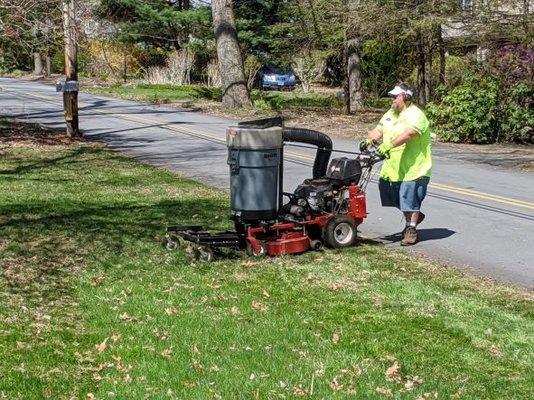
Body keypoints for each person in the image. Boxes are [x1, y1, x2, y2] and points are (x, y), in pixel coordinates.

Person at [360, 83, 432, 246]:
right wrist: (369, 139)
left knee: (408, 197)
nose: (392, 99)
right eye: (391, 96)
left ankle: (411, 229)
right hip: (393, 166)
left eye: (395, 96)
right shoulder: (391, 113)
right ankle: (414, 214)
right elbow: (379, 129)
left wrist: (388, 145)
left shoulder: (416, 114)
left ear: (405, 97)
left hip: (414, 167)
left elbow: (408, 134)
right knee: (388, 193)